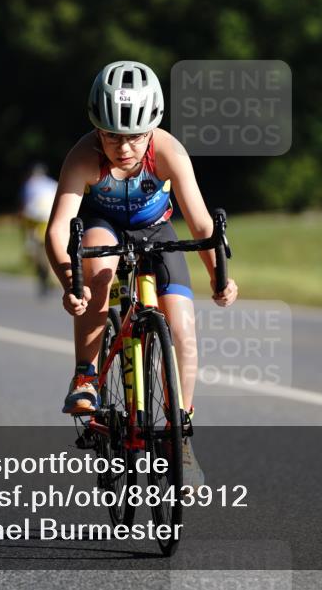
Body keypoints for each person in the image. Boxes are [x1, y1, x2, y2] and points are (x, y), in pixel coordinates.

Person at [45, 61, 239, 487]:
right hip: (103, 225)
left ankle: (180, 438)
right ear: (96, 127)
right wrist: (68, 281)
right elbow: (58, 230)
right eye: (112, 134)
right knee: (98, 278)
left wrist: (217, 276)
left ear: (153, 127)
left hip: (156, 227)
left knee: (184, 327)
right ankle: (86, 376)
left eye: (135, 135)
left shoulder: (168, 151)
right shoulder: (83, 155)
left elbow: (202, 225)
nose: (124, 146)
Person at [21, 163, 59, 296]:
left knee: (33, 246)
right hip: (49, 217)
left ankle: (32, 254)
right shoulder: (52, 183)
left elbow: (25, 205)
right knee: (49, 246)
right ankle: (52, 275)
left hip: (34, 218)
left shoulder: (29, 184)